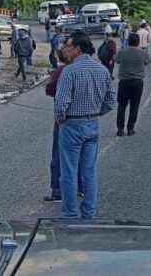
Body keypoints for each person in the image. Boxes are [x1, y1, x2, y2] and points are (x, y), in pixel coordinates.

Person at [54, 31, 116, 219]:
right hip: (92, 123)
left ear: (78, 49)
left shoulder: (70, 71)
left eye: (68, 47)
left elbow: (61, 103)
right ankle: (89, 213)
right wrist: (97, 112)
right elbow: (110, 100)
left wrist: (62, 119)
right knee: (89, 171)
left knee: (69, 172)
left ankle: (70, 214)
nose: (65, 50)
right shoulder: (102, 70)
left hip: (72, 124)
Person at [43, 46, 83, 203]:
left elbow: (50, 90)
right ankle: (80, 187)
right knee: (81, 156)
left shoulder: (62, 71)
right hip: (83, 118)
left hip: (64, 120)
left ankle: (58, 191)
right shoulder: (84, 69)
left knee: (59, 156)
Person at [114, 33, 150, 136]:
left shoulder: (122, 52)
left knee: (122, 105)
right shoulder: (143, 53)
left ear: (128, 41)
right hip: (137, 81)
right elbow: (147, 62)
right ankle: (130, 128)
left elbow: (116, 60)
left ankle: (120, 128)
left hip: (124, 81)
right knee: (134, 105)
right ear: (138, 42)